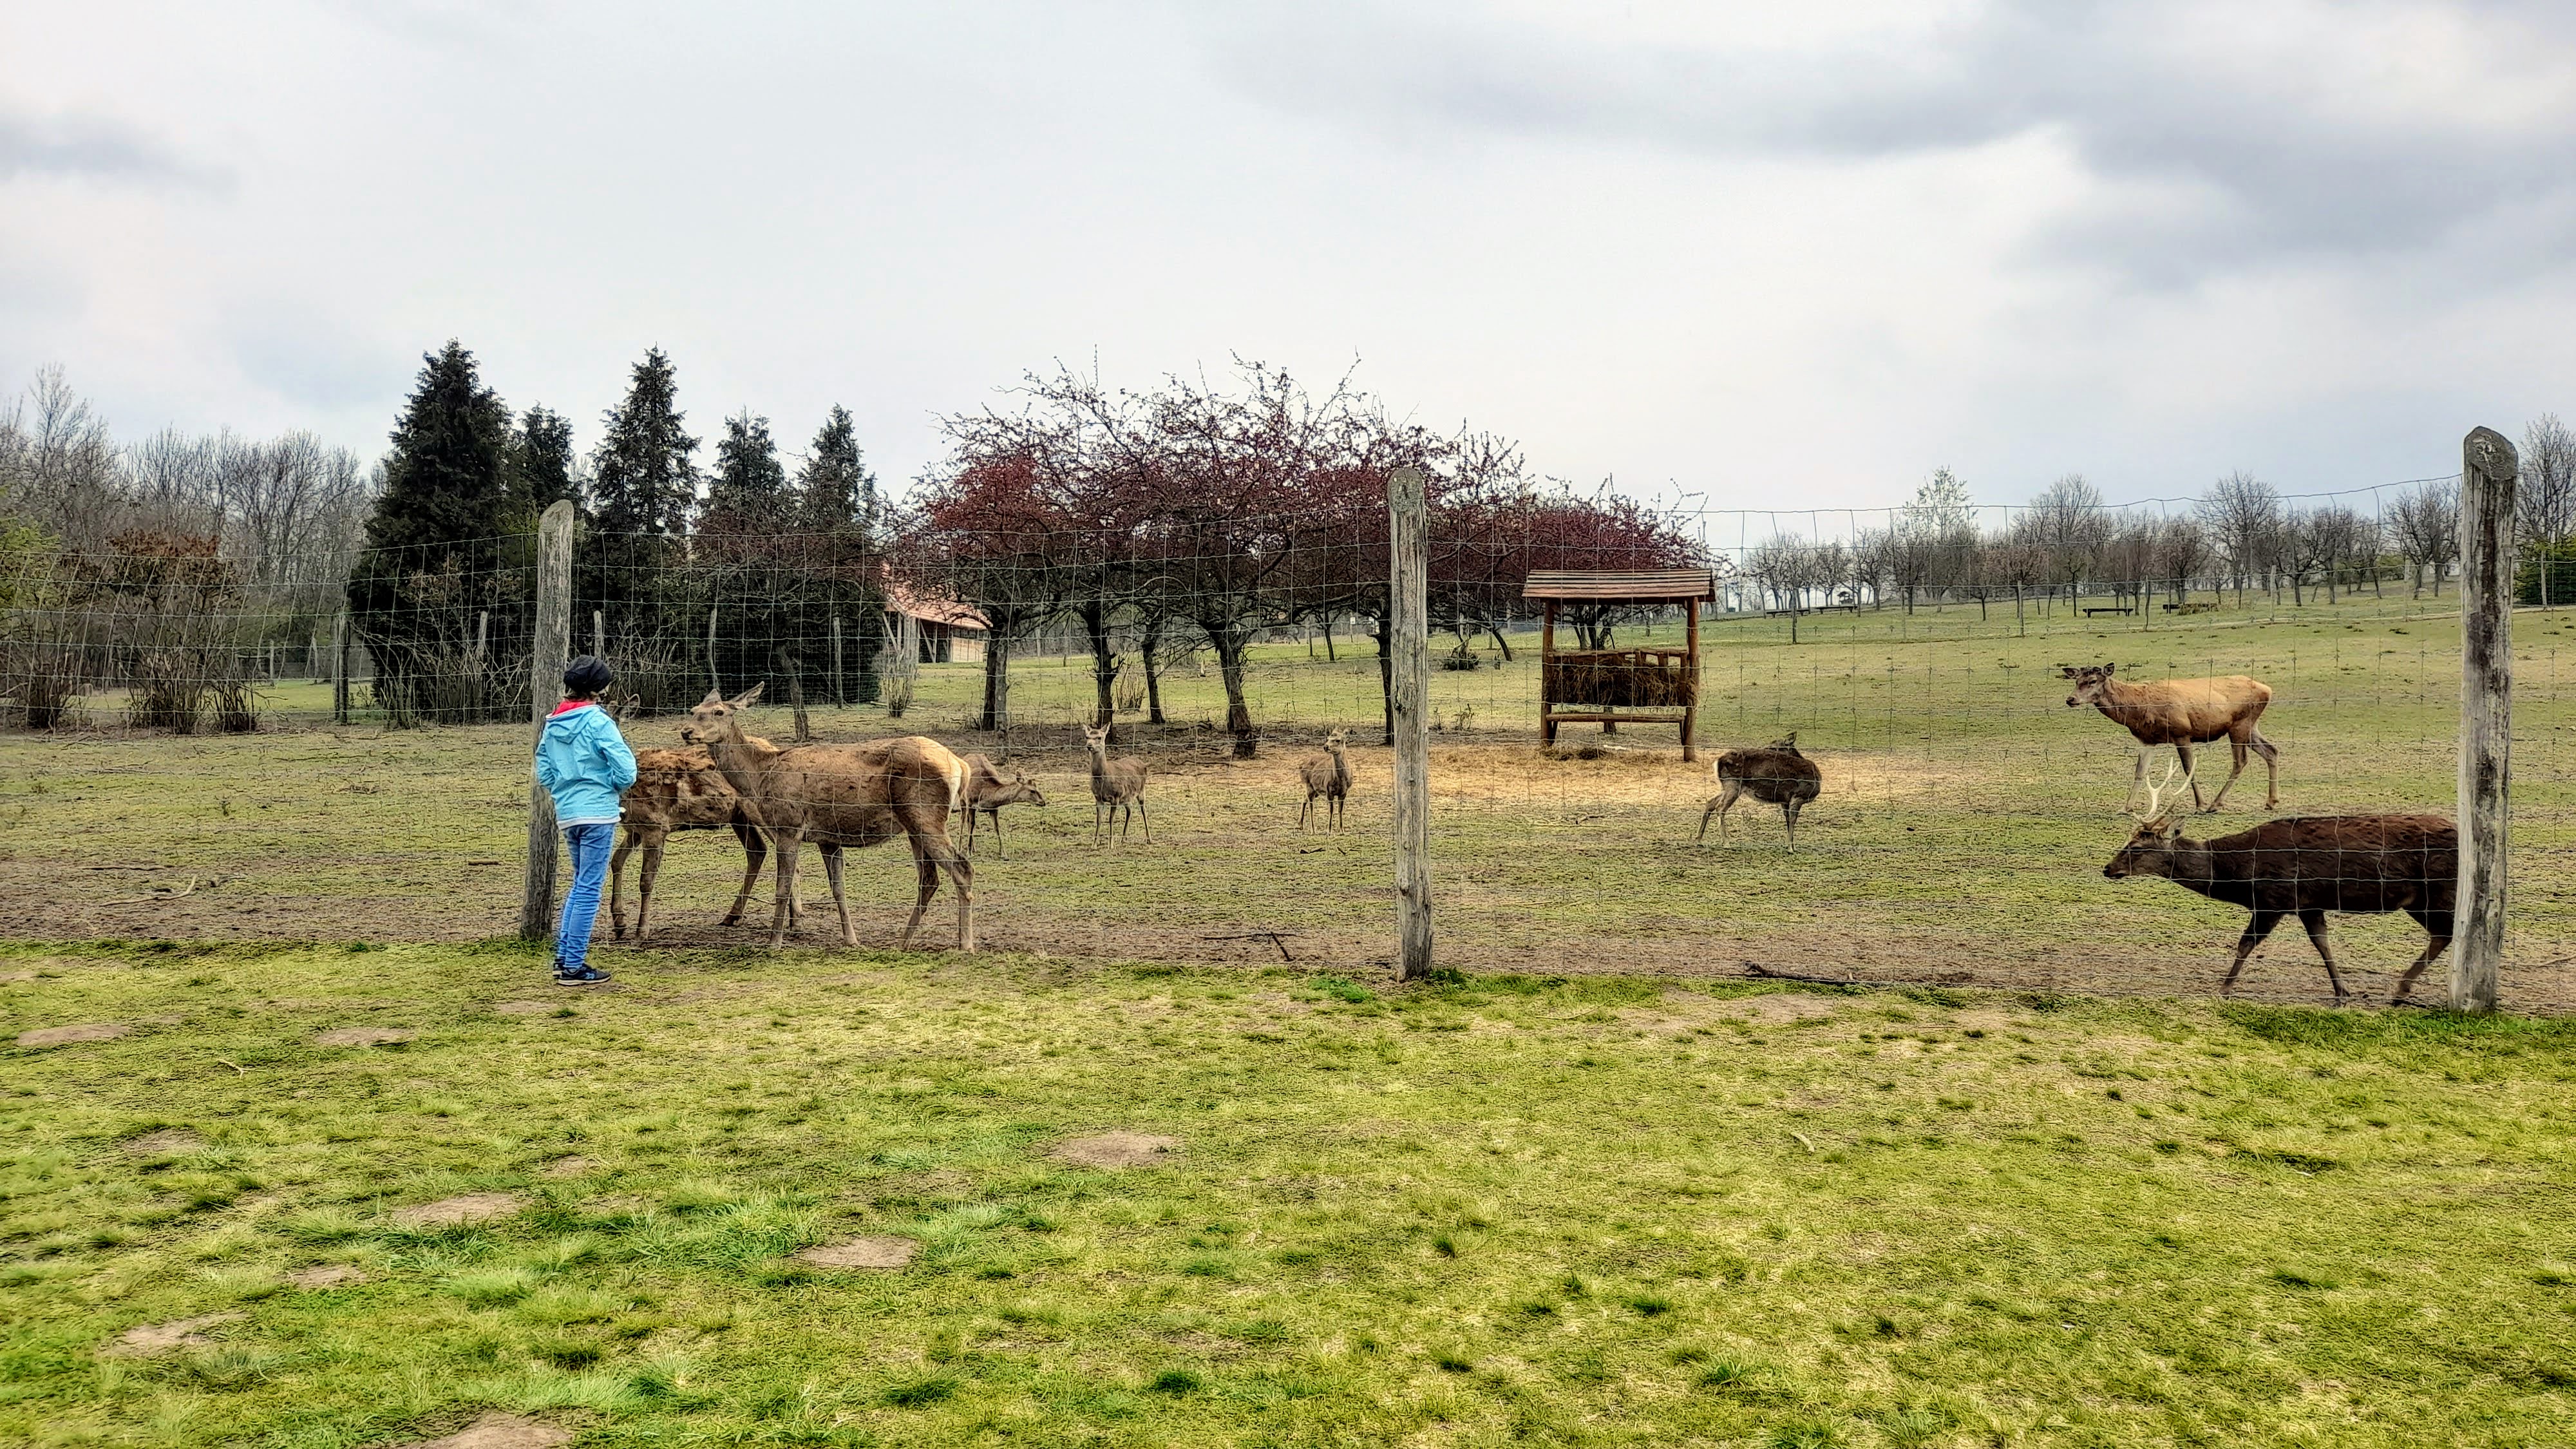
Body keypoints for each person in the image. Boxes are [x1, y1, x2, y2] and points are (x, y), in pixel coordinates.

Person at [532, 656, 636, 985]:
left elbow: (545, 770)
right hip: (598, 812)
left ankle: (564, 959)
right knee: (589, 888)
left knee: (580, 884)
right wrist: (611, 787)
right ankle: (574, 967)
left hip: (568, 813)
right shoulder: (598, 721)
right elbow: (627, 770)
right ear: (599, 689)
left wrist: (565, 789)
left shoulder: (553, 722)